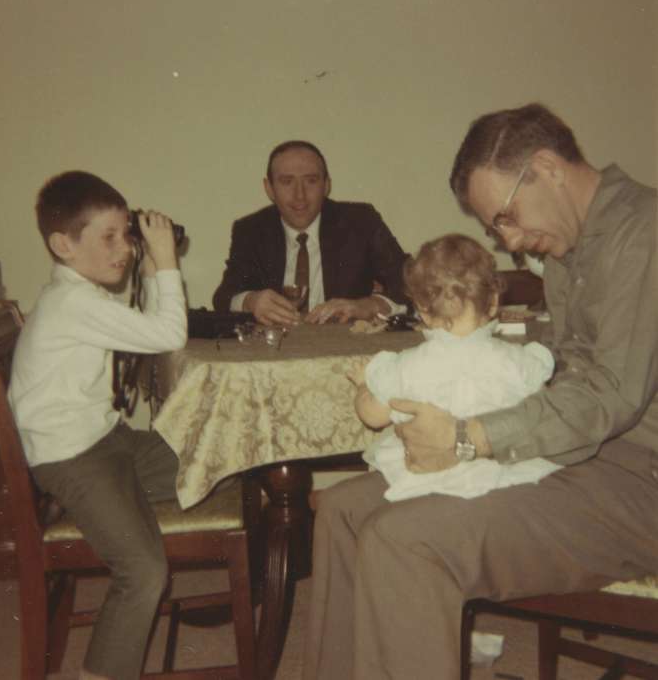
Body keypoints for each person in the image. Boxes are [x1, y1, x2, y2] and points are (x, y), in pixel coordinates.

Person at [302, 103, 658, 679]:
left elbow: (608, 394)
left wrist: (470, 437)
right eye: (497, 229)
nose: (511, 242)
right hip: (575, 457)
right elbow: (566, 370)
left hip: (637, 479)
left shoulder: (644, 231)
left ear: (546, 167)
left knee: (406, 541)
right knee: (342, 511)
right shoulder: (573, 243)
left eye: (507, 217)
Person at [8, 171, 187, 680]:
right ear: (63, 244)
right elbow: (168, 332)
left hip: (106, 439)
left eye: (124, 235)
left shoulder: (81, 295)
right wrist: (168, 262)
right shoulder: (73, 303)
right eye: (108, 237)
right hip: (73, 458)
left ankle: (126, 506)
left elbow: (150, 329)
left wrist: (154, 262)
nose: (123, 249)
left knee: (209, 462)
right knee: (144, 571)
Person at [352, 233, 559, 503]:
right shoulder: (519, 360)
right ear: (494, 302)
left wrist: (363, 386)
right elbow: (544, 410)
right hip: (506, 480)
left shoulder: (406, 365)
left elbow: (373, 416)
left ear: (422, 310)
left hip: (430, 478)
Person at [212, 140, 409, 326]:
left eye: (311, 181)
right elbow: (223, 297)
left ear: (327, 185)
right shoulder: (251, 230)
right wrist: (250, 301)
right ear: (269, 189)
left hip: (346, 347)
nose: (300, 195)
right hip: (274, 349)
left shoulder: (360, 222)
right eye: (287, 182)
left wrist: (369, 305)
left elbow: (414, 283)